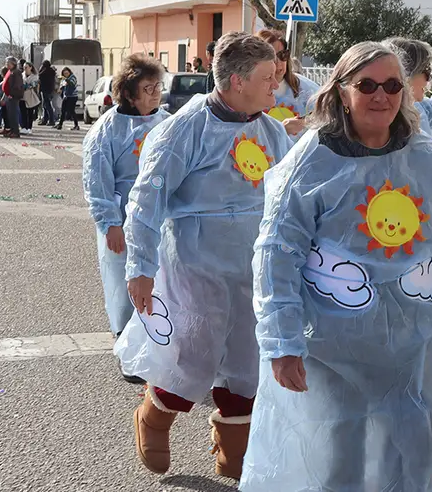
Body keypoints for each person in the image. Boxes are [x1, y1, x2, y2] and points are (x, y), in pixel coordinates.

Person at [241, 42, 432, 491]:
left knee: (410, 452)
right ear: (342, 92)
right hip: (332, 347)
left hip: (414, 348)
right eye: (367, 85)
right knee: (338, 454)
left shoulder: (429, 161)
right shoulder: (311, 162)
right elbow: (277, 254)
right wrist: (281, 340)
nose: (381, 96)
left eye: (392, 85)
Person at [117, 32, 293, 480]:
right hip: (196, 268)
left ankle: (233, 447)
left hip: (252, 271)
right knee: (189, 358)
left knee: (246, 363)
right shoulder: (183, 129)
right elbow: (146, 200)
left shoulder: (272, 131)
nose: (278, 86)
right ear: (236, 81)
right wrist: (139, 268)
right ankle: (154, 417)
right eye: (268, 78)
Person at [82, 54, 170, 381]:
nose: (155, 94)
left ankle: (158, 342)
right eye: (147, 89)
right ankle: (127, 346)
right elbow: (97, 181)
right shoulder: (107, 131)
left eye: (157, 87)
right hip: (122, 219)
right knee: (123, 285)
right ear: (130, 94)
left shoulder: (167, 122)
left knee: (161, 283)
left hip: (162, 220)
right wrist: (109, 224)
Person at [255, 29, 319, 138]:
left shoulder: (306, 87)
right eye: (272, 57)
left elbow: (328, 116)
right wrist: (281, 129)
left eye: (283, 55)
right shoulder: (250, 92)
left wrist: (305, 122)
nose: (279, 62)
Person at [0, 57, 22, 138]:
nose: (7, 65)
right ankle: (12, 130)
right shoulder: (10, 71)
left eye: (8, 63)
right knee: (10, 115)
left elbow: (17, 85)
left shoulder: (16, 72)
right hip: (8, 95)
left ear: (13, 63)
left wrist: (12, 94)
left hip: (13, 96)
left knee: (13, 115)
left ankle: (15, 131)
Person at [21, 62, 40, 134]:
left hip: (30, 95)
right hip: (22, 96)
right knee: (23, 112)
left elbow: (33, 84)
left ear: (30, 67)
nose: (25, 69)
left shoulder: (35, 76)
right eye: (24, 67)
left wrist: (26, 86)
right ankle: (24, 127)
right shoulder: (22, 75)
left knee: (30, 112)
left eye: (26, 67)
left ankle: (29, 127)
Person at [38, 60, 58, 125]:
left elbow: (39, 76)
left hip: (45, 90)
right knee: (46, 105)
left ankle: (51, 120)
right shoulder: (52, 71)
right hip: (50, 90)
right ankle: (45, 119)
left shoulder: (44, 72)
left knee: (47, 105)